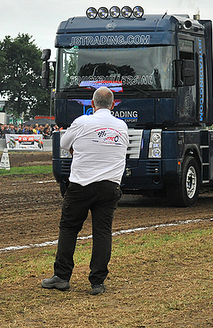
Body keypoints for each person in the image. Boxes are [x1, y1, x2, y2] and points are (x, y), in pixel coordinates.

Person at [42, 86, 129, 295]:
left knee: (69, 228)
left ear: (92, 104)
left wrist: (78, 150)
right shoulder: (122, 126)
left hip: (82, 184)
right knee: (102, 232)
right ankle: (97, 282)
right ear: (113, 104)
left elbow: (64, 144)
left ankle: (62, 276)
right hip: (110, 185)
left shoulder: (82, 122)